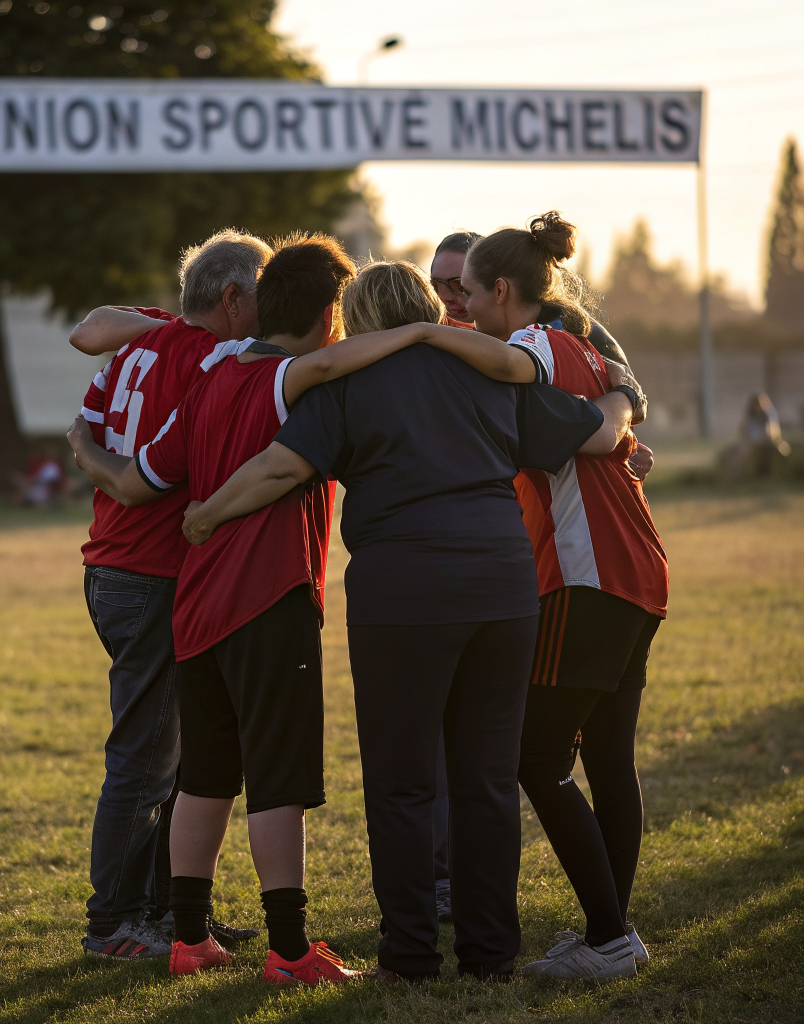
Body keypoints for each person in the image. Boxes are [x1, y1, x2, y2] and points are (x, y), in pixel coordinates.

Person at [179, 259, 636, 983]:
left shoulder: (348, 384)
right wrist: (622, 395)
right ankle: (489, 956)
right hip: (502, 589)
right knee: (486, 781)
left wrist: (205, 514)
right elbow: (597, 436)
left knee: (402, 785)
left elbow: (278, 470)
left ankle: (411, 957)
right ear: (430, 309)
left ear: (356, 322)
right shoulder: (493, 372)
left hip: (402, 598)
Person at [457, 211, 669, 980]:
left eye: (471, 293)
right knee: (609, 758)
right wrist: (616, 414)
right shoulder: (583, 345)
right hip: (638, 570)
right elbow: (607, 423)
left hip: (588, 577)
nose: (464, 308)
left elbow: (580, 430)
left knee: (534, 758)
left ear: (504, 289)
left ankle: (609, 939)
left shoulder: (527, 348)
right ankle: (610, 932)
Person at [65, 228, 272, 961]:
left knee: (181, 760)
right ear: (233, 297)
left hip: (115, 566)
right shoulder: (210, 357)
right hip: (150, 574)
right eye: (263, 296)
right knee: (147, 761)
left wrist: (85, 451)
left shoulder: (139, 346)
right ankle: (113, 924)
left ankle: (170, 914)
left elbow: (87, 416)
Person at [429, 231, 483, 326]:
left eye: (460, 286)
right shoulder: (410, 334)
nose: (446, 297)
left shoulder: (515, 337)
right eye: (435, 286)